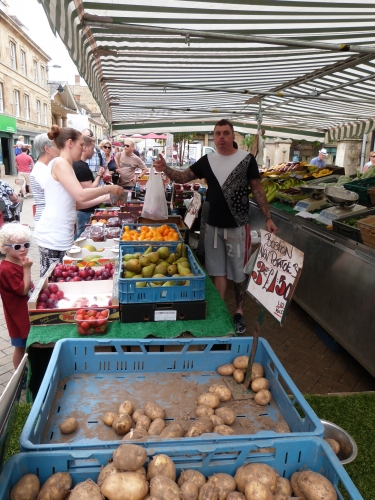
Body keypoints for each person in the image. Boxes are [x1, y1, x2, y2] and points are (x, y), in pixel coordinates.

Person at [154, 119, 277, 335]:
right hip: (212, 228)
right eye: (217, 133)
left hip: (238, 226)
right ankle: (221, 312)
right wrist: (166, 169)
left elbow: (258, 190)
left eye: (225, 133)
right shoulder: (207, 160)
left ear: (232, 136)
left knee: (239, 274)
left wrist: (268, 217)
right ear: (214, 137)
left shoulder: (246, 160)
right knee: (218, 272)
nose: (221, 137)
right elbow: (183, 177)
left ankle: (239, 312)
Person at [33, 125, 123, 276]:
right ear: (70, 143)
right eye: (81, 144)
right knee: (54, 282)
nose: (83, 148)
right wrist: (108, 189)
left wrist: (104, 198)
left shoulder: (65, 165)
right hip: (53, 236)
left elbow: (77, 204)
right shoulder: (60, 163)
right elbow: (81, 195)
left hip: (61, 235)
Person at [0, 224, 33, 369]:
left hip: (24, 311)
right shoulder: (6, 269)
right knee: (20, 346)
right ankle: (19, 375)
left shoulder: (19, 261)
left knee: (25, 344)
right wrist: (27, 269)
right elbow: (23, 290)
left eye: (26, 244)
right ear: (5, 247)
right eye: (18, 246)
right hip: (17, 314)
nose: (23, 249)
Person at [74, 135, 106, 238]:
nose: (94, 151)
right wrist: (100, 177)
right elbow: (89, 190)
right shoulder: (81, 167)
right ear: (85, 148)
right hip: (85, 211)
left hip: (85, 209)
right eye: (92, 148)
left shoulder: (80, 165)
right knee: (83, 237)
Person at [29, 133, 60, 222]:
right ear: (47, 149)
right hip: (47, 218)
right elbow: (53, 194)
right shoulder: (41, 170)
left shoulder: (45, 167)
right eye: (56, 146)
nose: (59, 149)